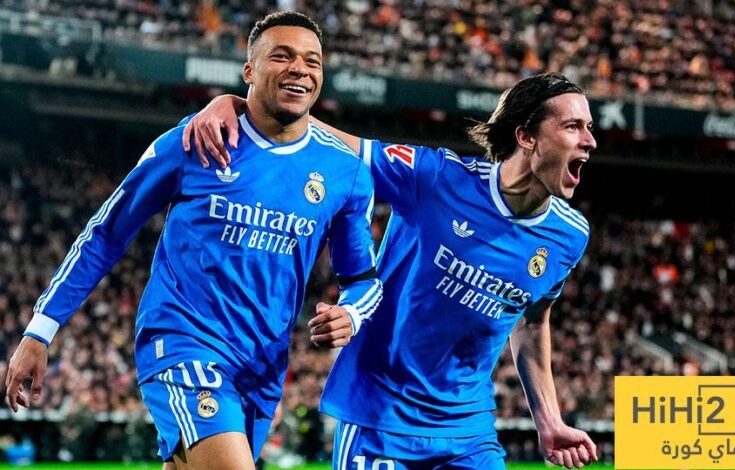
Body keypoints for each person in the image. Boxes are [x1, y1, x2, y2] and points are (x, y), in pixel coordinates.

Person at [4, 12, 383, 470]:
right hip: (183, 342)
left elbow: (363, 280)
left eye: (312, 61)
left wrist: (350, 314)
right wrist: (40, 329)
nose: (299, 69)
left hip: (261, 365)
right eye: (282, 56)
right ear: (249, 70)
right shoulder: (195, 142)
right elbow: (106, 232)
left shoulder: (346, 172)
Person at [186, 72, 599, 469]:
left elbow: (531, 320)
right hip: (379, 421)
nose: (590, 141)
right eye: (573, 127)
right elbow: (333, 143)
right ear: (526, 136)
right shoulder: (434, 178)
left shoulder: (569, 235)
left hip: (467, 433)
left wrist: (549, 421)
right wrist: (242, 108)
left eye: (589, 128)